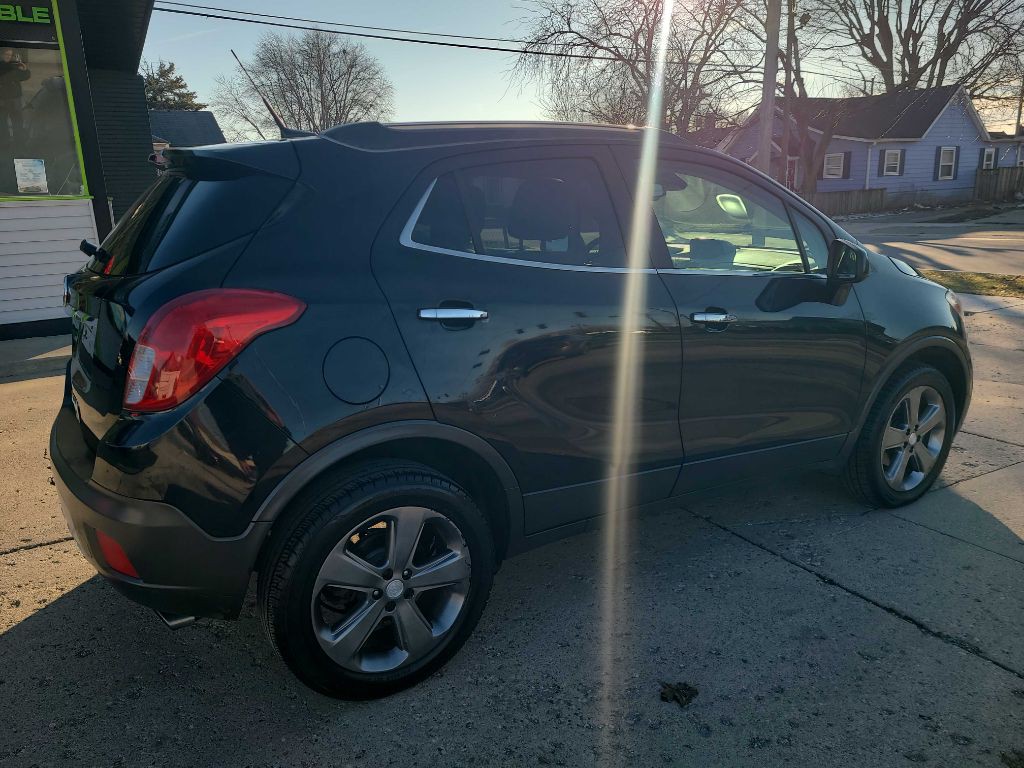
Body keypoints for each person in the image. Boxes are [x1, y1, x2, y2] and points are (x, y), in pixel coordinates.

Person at [0, 47, 30, 149]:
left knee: (17, 121)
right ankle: (5, 143)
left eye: (10, 55)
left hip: (15, 98)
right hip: (2, 99)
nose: (8, 56)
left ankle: (19, 142)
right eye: (6, 54)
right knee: (2, 122)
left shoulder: (14, 66)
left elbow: (24, 77)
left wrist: (25, 70)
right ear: (2, 55)